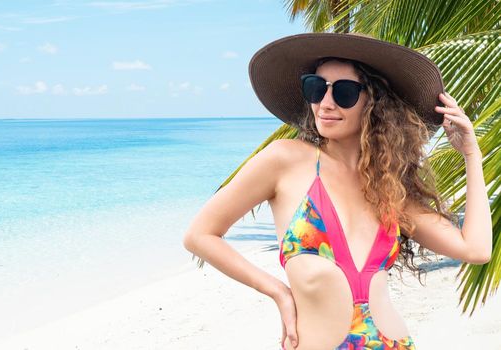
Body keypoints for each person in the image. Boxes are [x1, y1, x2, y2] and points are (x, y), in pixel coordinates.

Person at [182, 32, 492, 350]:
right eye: (316, 88)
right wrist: (278, 292)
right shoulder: (285, 159)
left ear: (375, 103)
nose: (326, 103)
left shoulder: (388, 188)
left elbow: (476, 250)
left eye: (344, 92)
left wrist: (472, 156)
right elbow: (200, 235)